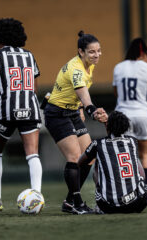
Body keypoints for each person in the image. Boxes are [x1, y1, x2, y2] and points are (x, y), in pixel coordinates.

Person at [0, 18, 43, 211]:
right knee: (32, 154)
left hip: (8, 110)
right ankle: (37, 198)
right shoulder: (29, 55)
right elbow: (32, 84)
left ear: (1, 37)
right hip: (30, 108)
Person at [43, 30, 108, 214]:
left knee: (88, 156)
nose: (97, 55)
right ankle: (77, 203)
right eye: (92, 52)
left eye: (99, 50)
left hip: (71, 111)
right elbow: (83, 94)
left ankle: (70, 201)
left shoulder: (89, 65)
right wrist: (91, 110)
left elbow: (78, 94)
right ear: (81, 52)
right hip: (56, 113)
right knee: (74, 157)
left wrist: (79, 108)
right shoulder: (76, 68)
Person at [78, 111, 147, 214]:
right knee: (133, 158)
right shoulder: (133, 141)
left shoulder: (98, 144)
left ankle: (102, 198)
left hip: (109, 206)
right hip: (138, 203)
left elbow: (80, 162)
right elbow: (142, 174)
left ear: (108, 126)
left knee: (98, 160)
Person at [112, 38, 147, 193]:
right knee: (145, 155)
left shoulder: (118, 67)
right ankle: (146, 191)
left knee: (126, 155)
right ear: (144, 54)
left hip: (123, 115)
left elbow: (116, 93)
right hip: (142, 114)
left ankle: (128, 190)